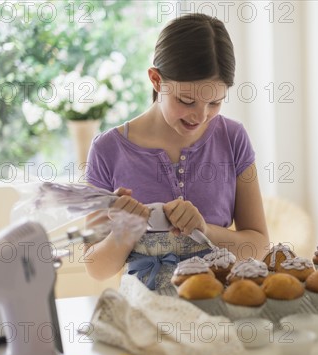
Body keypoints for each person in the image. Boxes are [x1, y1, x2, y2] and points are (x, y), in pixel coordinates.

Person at [83, 13, 269, 291]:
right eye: (186, 100)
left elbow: (258, 246)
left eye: (215, 102)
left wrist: (205, 231)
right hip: (144, 319)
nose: (201, 116)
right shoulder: (107, 151)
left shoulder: (233, 138)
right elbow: (96, 268)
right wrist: (124, 231)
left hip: (219, 310)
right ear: (156, 81)